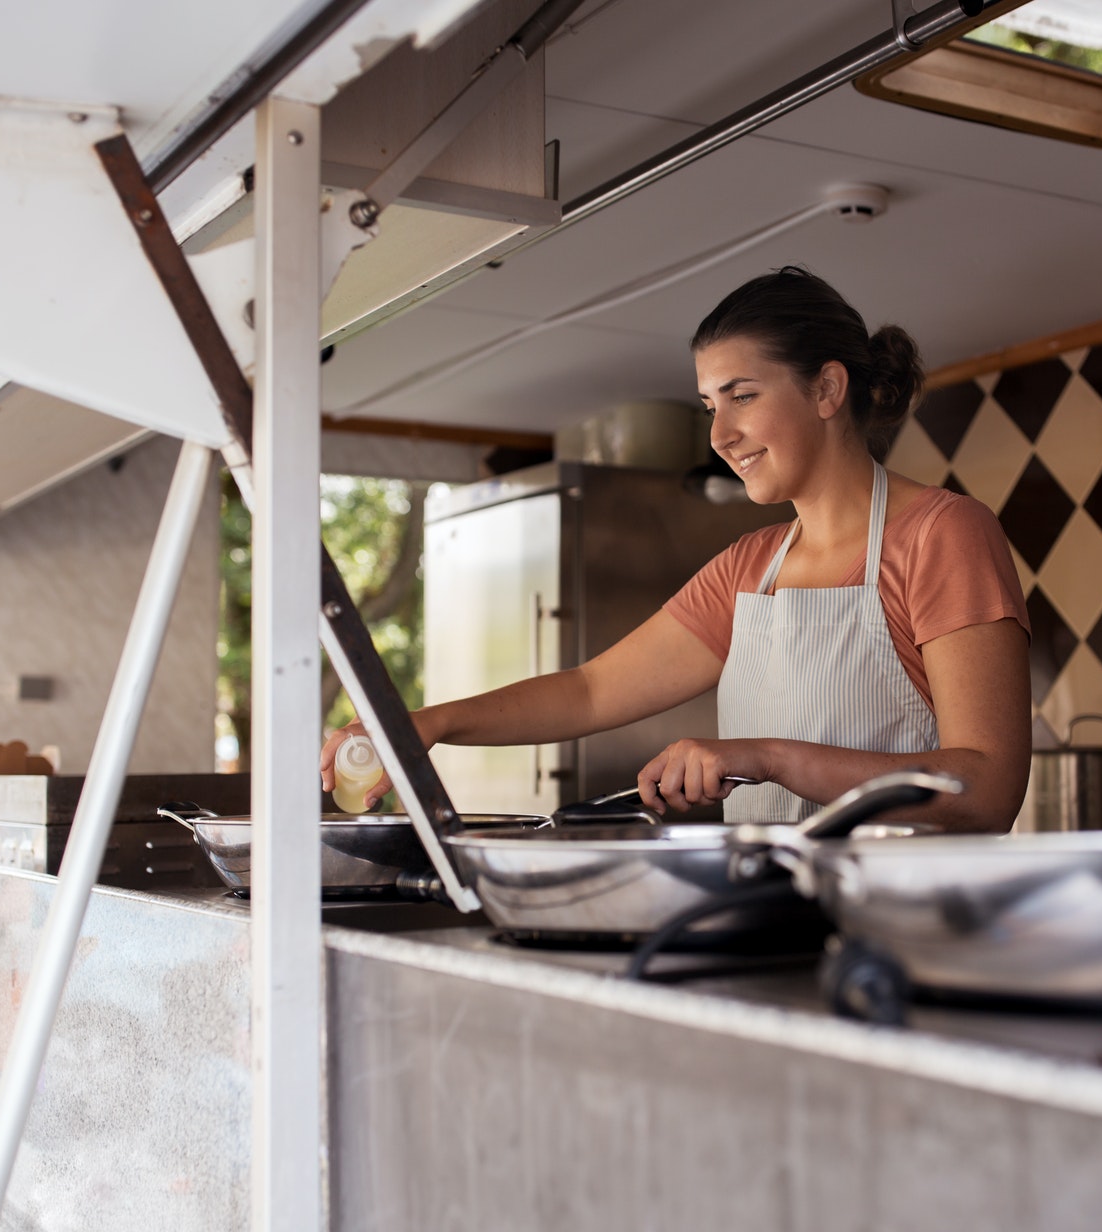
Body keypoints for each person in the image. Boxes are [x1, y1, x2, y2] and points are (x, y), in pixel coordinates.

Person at [322, 267, 1031, 830]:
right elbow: (592, 689)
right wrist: (429, 723)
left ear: (827, 388)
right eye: (709, 407)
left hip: (905, 934)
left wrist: (764, 757)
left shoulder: (944, 535)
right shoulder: (747, 569)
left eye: (742, 396)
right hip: (770, 928)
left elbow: (987, 787)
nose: (720, 436)